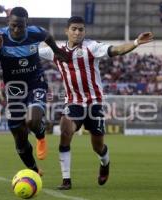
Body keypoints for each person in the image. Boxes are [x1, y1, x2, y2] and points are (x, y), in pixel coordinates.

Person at [39, 16, 154, 189]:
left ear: (85, 31)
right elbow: (31, 49)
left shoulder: (92, 47)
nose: (77, 32)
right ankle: (66, 180)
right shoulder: (55, 50)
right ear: (66, 31)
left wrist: (136, 42)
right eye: (74, 29)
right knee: (65, 132)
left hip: (95, 103)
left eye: (81, 29)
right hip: (73, 103)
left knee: (97, 146)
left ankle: (105, 163)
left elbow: (118, 50)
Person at [0, 7, 67, 174]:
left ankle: (41, 136)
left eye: (20, 26)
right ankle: (34, 170)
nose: (17, 29)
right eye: (13, 25)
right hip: (14, 90)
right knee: (19, 137)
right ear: (8, 23)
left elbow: (47, 36)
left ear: (26, 23)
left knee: (32, 121)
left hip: (36, 82)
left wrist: (57, 52)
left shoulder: (36, 33)